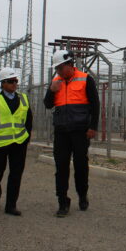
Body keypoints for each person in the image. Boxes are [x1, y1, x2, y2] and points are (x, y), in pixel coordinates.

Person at [44, 50, 99, 217]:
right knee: (61, 167)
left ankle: (82, 195)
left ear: (69, 65)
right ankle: (62, 201)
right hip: (61, 132)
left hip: (80, 131)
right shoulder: (56, 81)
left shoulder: (85, 79)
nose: (58, 71)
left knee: (81, 165)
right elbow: (47, 104)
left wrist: (92, 127)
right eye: (57, 69)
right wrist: (51, 91)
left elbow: (95, 105)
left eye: (60, 68)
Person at [0, 67, 32, 216]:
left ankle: (11, 205)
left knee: (16, 174)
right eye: (11, 81)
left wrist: (27, 138)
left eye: (15, 81)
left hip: (19, 143)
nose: (14, 84)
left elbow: (29, 120)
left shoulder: (23, 98)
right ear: (2, 83)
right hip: (0, 143)